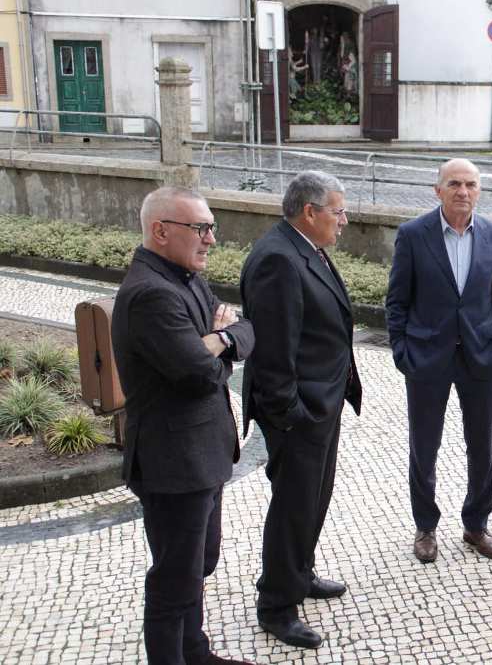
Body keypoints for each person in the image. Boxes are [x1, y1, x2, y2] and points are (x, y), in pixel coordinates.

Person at [111, 186, 256, 665]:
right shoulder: (150, 293)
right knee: (174, 577)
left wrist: (215, 340)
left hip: (204, 454)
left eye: (211, 227)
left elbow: (244, 330)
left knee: (199, 564)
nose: (211, 239)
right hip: (173, 464)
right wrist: (219, 343)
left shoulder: (186, 277)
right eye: (201, 228)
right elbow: (197, 374)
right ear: (161, 231)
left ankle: (195, 651)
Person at [241, 171, 362, 649]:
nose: (344, 221)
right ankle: (276, 603)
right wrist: (291, 413)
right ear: (309, 212)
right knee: (293, 505)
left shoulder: (304, 249)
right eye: (337, 211)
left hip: (321, 403)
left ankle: (299, 572)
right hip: (299, 412)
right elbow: (273, 352)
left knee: (312, 498)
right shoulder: (278, 259)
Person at [386, 158, 492, 564]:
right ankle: (425, 526)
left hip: (480, 359)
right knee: (424, 447)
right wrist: (402, 351)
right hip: (426, 358)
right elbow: (397, 301)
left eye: (471, 185)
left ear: (480, 190)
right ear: (437, 189)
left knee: (482, 447)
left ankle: (476, 523)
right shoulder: (412, 234)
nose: (463, 191)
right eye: (455, 184)